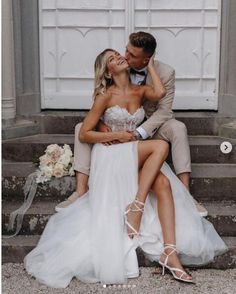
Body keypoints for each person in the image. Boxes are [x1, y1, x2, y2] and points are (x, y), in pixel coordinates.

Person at [24, 49, 227, 288]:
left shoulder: (140, 91)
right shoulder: (105, 96)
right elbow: (85, 132)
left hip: (131, 151)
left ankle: (169, 253)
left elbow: (160, 93)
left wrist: (150, 64)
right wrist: (119, 135)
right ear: (107, 71)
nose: (119, 57)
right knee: (160, 146)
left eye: (119, 54)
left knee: (162, 183)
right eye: (112, 58)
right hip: (111, 153)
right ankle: (137, 206)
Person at [56, 31, 208, 217]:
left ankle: (185, 195)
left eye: (131, 55)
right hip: (118, 136)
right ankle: (80, 190)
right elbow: (97, 112)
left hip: (151, 126)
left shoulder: (164, 74)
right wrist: (106, 128)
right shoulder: (108, 91)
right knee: (81, 127)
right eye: (124, 51)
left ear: (146, 59)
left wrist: (139, 133)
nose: (124, 56)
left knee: (178, 128)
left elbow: (164, 110)